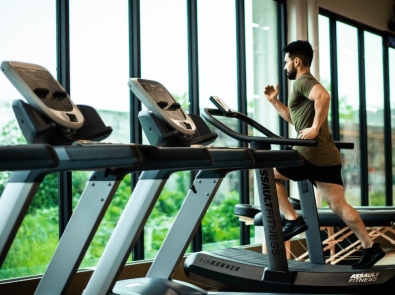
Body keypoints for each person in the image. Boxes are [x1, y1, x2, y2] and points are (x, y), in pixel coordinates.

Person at [264, 40, 385, 269]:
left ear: (296, 61)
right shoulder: (303, 85)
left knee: (267, 173)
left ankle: (292, 220)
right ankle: (370, 246)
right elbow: (294, 118)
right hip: (327, 156)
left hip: (308, 154)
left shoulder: (304, 81)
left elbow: (324, 97)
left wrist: (315, 129)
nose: (285, 67)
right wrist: (274, 101)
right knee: (338, 204)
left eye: (286, 62)